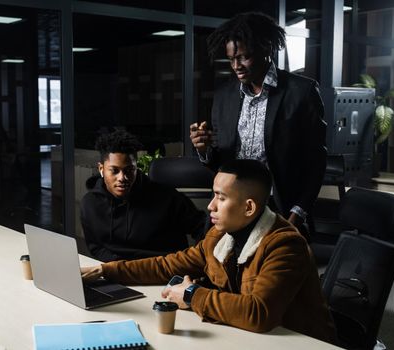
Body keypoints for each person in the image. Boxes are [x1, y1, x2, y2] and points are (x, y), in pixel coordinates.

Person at [81, 159, 336, 344]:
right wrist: (106, 270)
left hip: (299, 342)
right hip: (245, 338)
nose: (211, 206)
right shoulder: (218, 236)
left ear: (249, 207)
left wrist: (192, 294)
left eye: (220, 198)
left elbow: (259, 313)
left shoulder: (285, 245)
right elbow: (168, 265)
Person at [189, 12, 327, 233]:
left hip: (280, 210)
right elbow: (222, 164)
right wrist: (204, 149)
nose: (236, 66)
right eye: (231, 59)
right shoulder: (224, 96)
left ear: (266, 48)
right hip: (231, 207)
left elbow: (316, 163)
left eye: (244, 57)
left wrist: (297, 215)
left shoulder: (301, 92)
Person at [80, 130, 206, 262]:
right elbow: (96, 247)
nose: (122, 178)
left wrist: (194, 261)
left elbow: (202, 228)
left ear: (136, 168)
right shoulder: (90, 203)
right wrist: (120, 269)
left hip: (161, 272)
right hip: (116, 273)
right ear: (101, 169)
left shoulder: (168, 198)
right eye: (114, 171)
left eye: (129, 170)